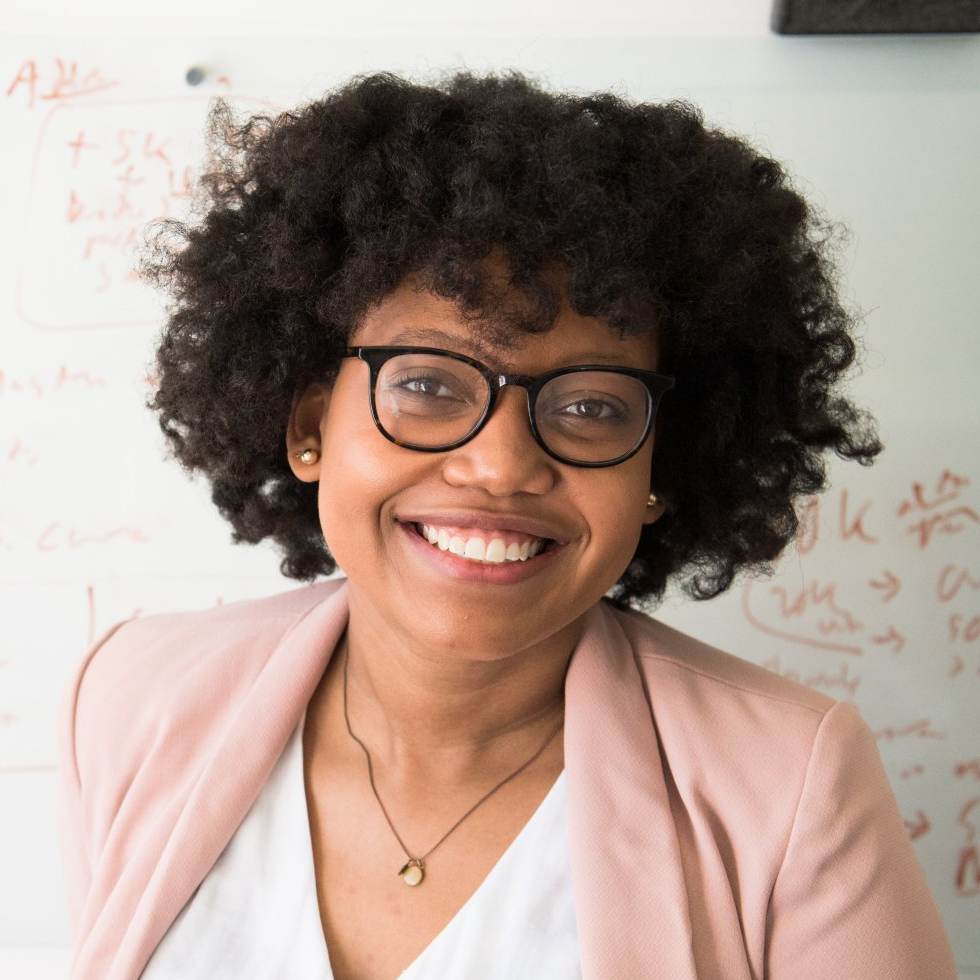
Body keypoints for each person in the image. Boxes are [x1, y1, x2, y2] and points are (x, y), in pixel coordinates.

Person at [59, 71, 957, 980]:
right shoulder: (131, 699)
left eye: (592, 408)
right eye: (427, 384)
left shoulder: (792, 784)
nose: (501, 466)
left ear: (661, 469)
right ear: (307, 427)